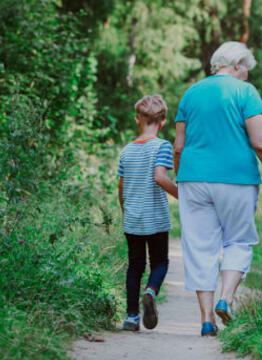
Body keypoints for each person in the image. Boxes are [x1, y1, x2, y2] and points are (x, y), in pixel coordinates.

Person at [173, 41, 262, 336]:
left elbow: (178, 146)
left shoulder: (191, 93)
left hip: (193, 179)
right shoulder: (245, 92)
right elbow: (261, 142)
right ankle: (226, 298)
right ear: (237, 65)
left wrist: (182, 180)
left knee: (200, 248)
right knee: (238, 241)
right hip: (237, 180)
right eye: (247, 70)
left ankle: (206, 320)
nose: (247, 76)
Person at [118, 94, 178, 331]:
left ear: (137, 120)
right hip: (156, 218)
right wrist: (182, 195)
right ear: (163, 122)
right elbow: (160, 178)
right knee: (160, 262)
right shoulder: (162, 146)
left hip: (132, 218)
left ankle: (131, 317)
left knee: (135, 266)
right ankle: (151, 291)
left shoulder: (127, 150)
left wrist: (125, 210)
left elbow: (121, 186)